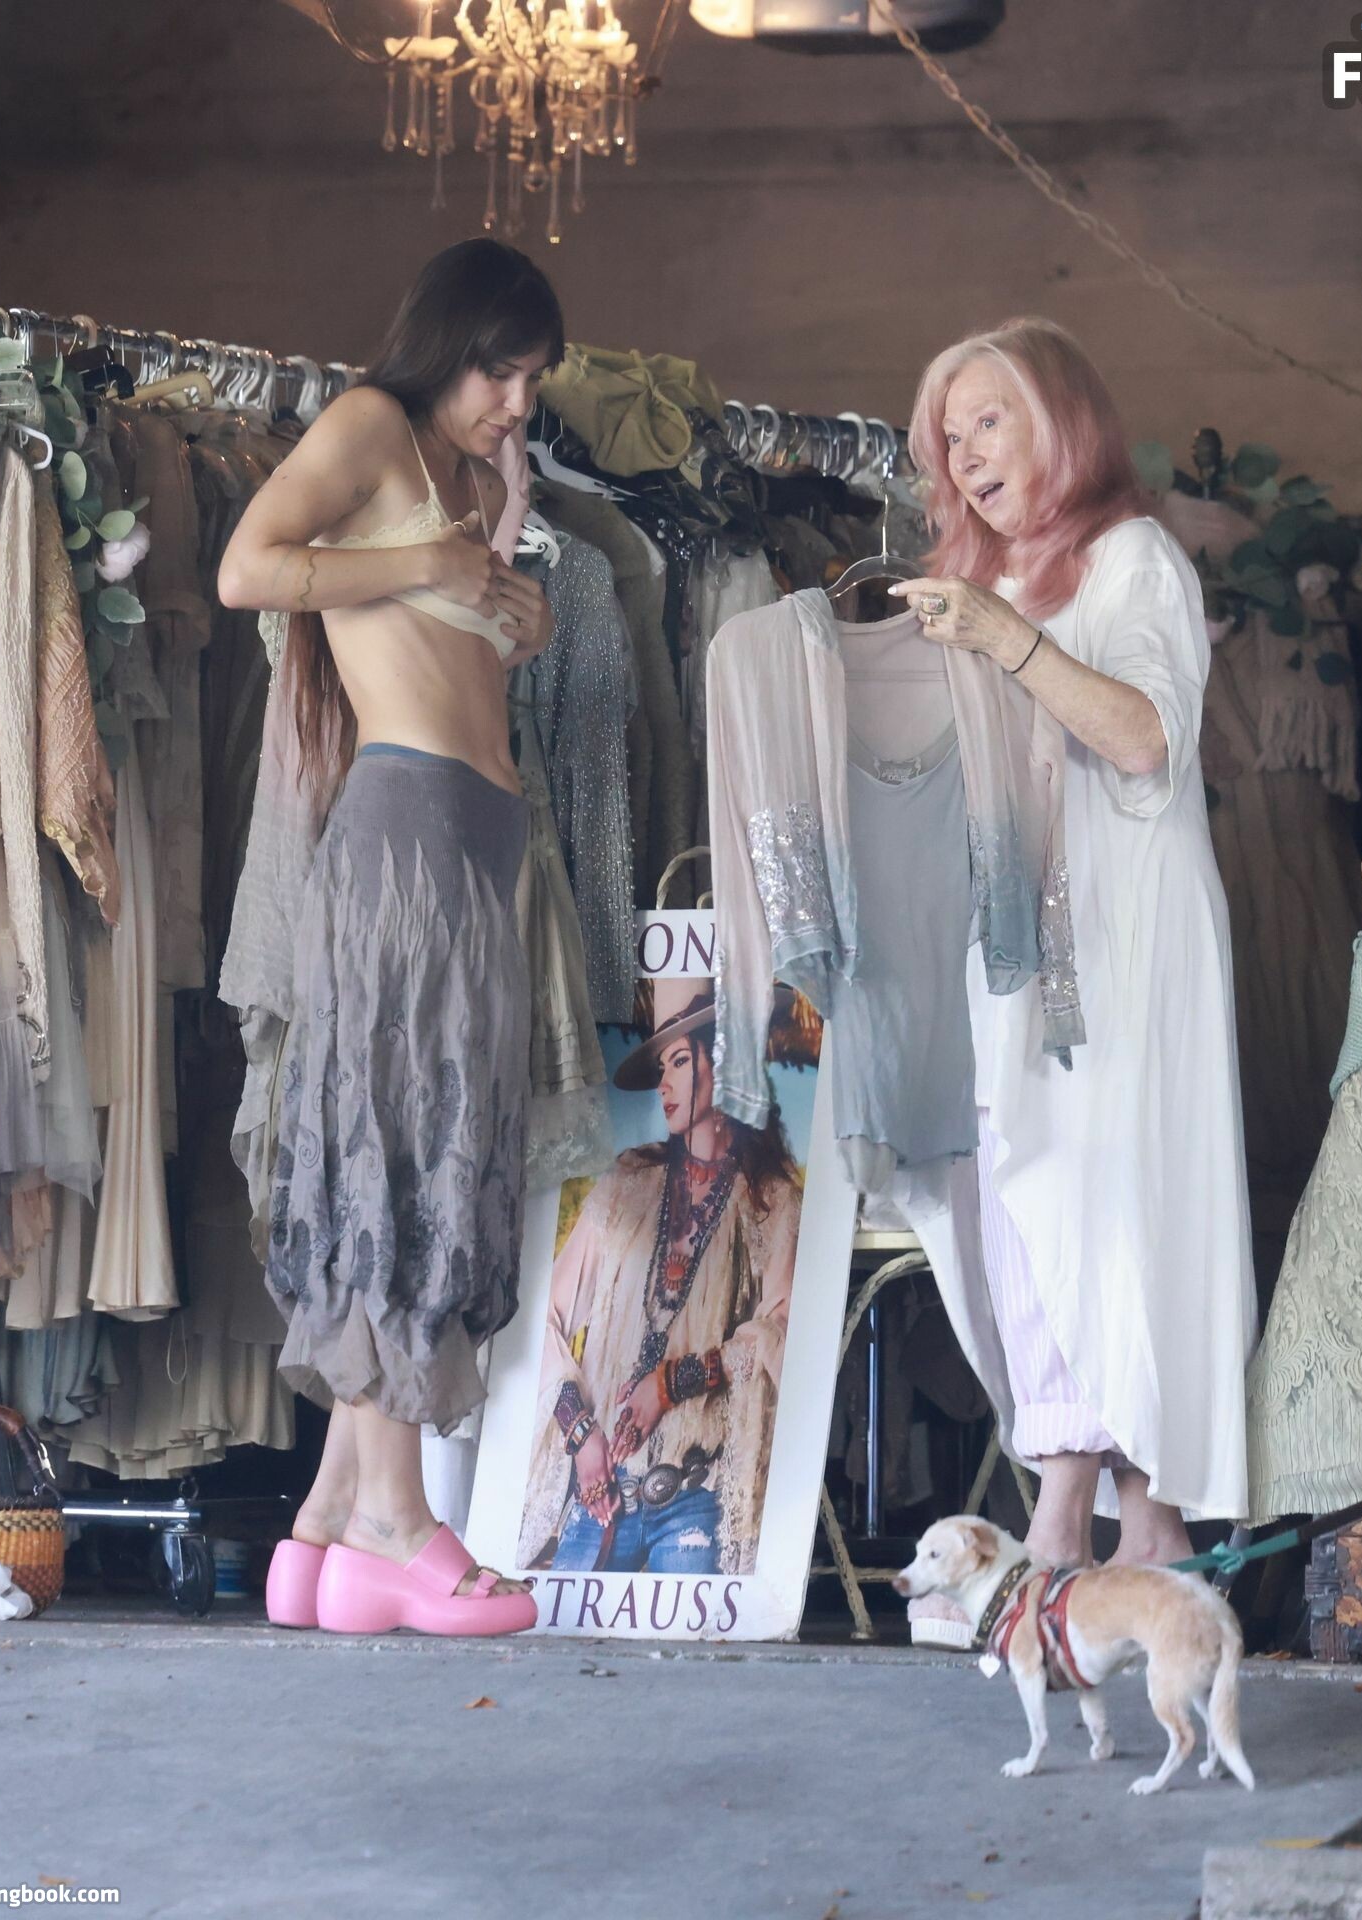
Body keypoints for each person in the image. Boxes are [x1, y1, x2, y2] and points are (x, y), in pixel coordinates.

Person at [217, 239, 559, 1634]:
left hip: (474, 840)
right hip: (404, 833)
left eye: (533, 380)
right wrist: (435, 555)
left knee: (430, 1146)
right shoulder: (369, 423)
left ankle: (324, 1526)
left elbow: (450, 643)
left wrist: (510, 586)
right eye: (502, 372)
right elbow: (246, 569)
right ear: (448, 346)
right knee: (400, 1155)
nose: (517, 403)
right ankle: (396, 1522)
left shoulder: (476, 476)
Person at [889, 317, 1255, 1597]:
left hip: (1125, 934)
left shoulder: (1132, 558)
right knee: (1025, 1187)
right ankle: (1129, 1525)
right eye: (950, 438)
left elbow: (1145, 738)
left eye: (989, 420)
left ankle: (1075, 1520)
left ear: (1060, 418)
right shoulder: (988, 577)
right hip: (1019, 940)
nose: (968, 455)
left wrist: (1004, 639)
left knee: (1111, 1194)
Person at [519, 984, 802, 1576]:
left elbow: (781, 1334)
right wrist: (580, 1435)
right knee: (561, 1625)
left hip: (696, 1495)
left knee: (696, 1633)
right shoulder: (627, 1185)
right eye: (661, 1069)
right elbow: (543, 1317)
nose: (664, 1084)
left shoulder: (769, 1202)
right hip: (602, 1492)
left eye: (678, 1062)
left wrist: (671, 1383)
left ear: (721, 1063)